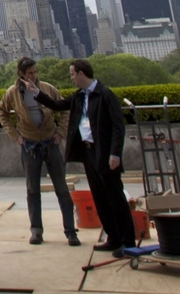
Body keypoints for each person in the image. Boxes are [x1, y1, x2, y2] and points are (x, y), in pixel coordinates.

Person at [56, 59, 138, 257]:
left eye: (73, 74)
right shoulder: (79, 96)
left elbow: (118, 126)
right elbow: (59, 105)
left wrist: (115, 153)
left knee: (115, 197)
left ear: (81, 73)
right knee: (100, 197)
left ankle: (128, 241)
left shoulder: (105, 94)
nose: (71, 78)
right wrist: (36, 93)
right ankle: (113, 238)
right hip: (88, 152)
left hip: (105, 152)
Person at [0, 57, 80, 245]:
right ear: (21, 74)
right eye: (30, 73)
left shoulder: (47, 89)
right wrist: (15, 135)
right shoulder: (13, 93)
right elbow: (2, 112)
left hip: (51, 142)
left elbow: (65, 109)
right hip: (29, 145)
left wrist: (61, 132)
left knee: (62, 189)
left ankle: (70, 231)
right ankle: (36, 230)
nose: (33, 76)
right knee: (32, 190)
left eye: (35, 72)